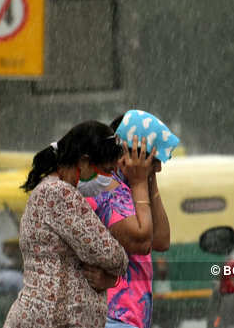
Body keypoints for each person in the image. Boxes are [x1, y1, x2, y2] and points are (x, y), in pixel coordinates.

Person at [3, 120, 129, 328]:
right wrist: (113, 269)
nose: (109, 180)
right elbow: (113, 257)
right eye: (107, 171)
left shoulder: (49, 190)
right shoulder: (61, 193)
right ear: (84, 162)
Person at [77, 110, 180, 328]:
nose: (159, 167)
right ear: (129, 155)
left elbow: (161, 240)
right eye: (154, 159)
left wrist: (147, 180)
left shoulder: (132, 187)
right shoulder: (106, 189)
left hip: (130, 319)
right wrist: (140, 183)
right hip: (112, 317)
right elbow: (142, 242)